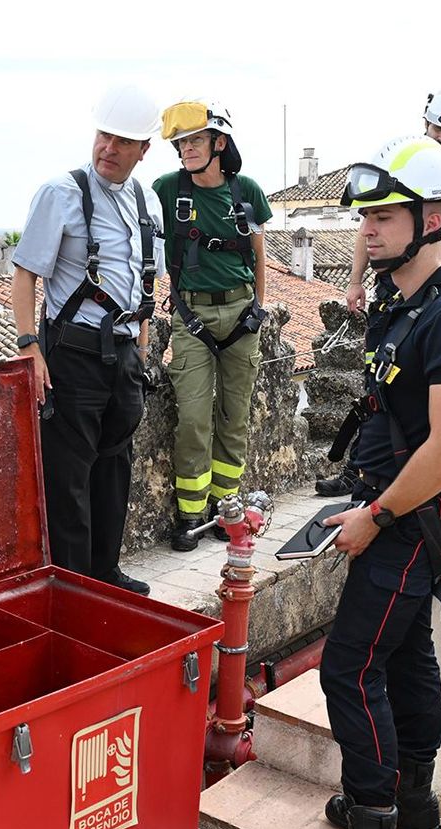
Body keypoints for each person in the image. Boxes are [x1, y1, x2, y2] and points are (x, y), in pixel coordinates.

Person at [281, 136, 441, 829]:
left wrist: (374, 514)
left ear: (435, 217)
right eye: (364, 217)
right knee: (407, 664)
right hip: (398, 510)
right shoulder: (410, 305)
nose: (366, 230)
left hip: (406, 521)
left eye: (384, 216)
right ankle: (411, 804)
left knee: (348, 669)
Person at [10, 85, 163, 596]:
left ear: (144, 150)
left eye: (123, 141)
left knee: (115, 464)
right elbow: (26, 273)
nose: (108, 149)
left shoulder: (148, 201)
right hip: (71, 353)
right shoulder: (63, 194)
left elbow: (145, 279)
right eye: (104, 135)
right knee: (69, 476)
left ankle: (106, 572)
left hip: (123, 356)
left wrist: (139, 345)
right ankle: (72, 584)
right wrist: (30, 347)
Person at [315, 88, 441, 498]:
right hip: (393, 291)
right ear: (426, 121)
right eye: (438, 128)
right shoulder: (397, 168)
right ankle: (363, 469)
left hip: (438, 290)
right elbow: (369, 227)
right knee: (377, 380)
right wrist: (356, 279)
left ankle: (407, 474)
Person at [152, 100, 271, 550]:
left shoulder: (248, 192)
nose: (186, 150)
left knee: (234, 417)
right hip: (192, 315)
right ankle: (190, 514)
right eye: (181, 143)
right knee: (195, 420)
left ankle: (227, 510)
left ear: (219, 143)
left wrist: (259, 306)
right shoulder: (167, 190)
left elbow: (259, 253)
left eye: (195, 141)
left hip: (241, 314)